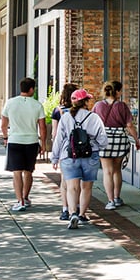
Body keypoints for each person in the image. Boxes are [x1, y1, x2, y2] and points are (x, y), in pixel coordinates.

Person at [50, 88, 107, 230]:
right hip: (90, 155)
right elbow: (103, 140)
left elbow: (59, 138)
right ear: (86, 101)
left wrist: (54, 157)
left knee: (71, 187)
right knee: (86, 187)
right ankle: (82, 214)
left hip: (69, 155)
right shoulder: (94, 118)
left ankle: (72, 213)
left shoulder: (66, 117)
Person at [0, 77, 47, 212]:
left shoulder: (10, 103)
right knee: (28, 171)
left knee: (16, 173)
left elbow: (4, 124)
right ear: (31, 89)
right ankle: (26, 197)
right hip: (31, 141)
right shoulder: (37, 105)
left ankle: (19, 200)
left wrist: (5, 137)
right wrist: (43, 144)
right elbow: (42, 127)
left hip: (15, 141)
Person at [93, 80, 137, 210]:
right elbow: (129, 125)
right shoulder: (122, 106)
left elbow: (93, 124)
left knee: (107, 171)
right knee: (117, 170)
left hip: (104, 140)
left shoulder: (98, 105)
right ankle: (117, 198)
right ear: (117, 91)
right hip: (119, 140)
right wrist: (137, 140)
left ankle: (110, 201)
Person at [50, 83, 78, 221]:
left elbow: (55, 133)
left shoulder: (58, 111)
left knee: (64, 181)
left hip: (64, 149)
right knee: (77, 180)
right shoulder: (80, 111)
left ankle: (65, 209)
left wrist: (54, 154)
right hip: (80, 150)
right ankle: (76, 207)